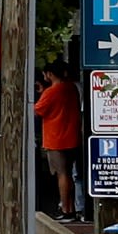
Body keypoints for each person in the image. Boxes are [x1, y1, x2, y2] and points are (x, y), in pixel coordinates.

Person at [33, 63, 84, 222]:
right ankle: (74, 208)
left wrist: (41, 94)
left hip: (56, 138)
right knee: (70, 173)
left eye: (45, 74)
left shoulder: (52, 91)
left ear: (49, 74)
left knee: (61, 174)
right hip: (72, 136)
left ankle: (66, 209)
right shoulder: (71, 88)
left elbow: (36, 111)